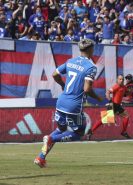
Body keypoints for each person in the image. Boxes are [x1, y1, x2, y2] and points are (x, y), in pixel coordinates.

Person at [34, 39, 103, 168]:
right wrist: (98, 98)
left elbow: (55, 74)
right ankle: (51, 138)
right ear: (90, 50)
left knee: (61, 129)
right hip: (74, 105)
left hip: (61, 102)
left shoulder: (71, 61)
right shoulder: (91, 67)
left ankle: (41, 157)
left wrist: (62, 85)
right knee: (79, 133)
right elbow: (87, 89)